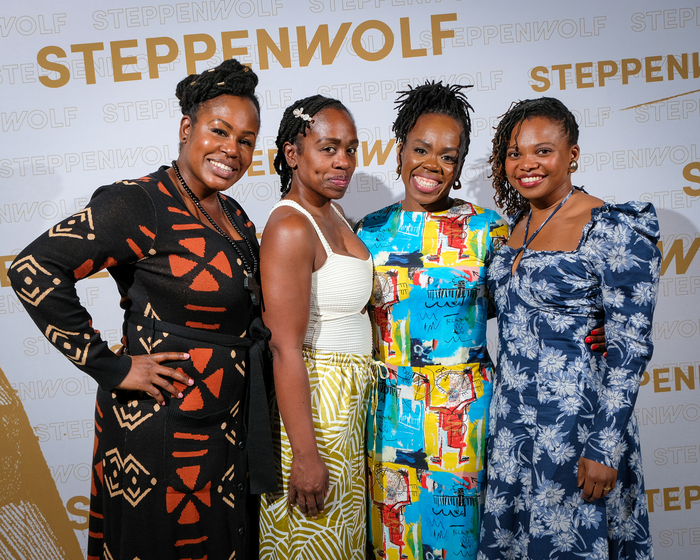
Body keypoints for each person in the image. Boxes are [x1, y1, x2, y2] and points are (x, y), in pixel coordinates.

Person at [8, 58, 276, 560]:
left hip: (225, 428)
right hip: (157, 433)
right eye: (219, 130)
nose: (232, 150)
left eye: (246, 140)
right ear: (186, 127)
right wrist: (112, 366)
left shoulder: (233, 212)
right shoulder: (140, 203)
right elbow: (33, 269)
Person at [479, 97, 657, 559]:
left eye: (543, 151)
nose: (526, 164)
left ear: (572, 155)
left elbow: (630, 348)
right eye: (515, 153)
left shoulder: (612, 229)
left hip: (577, 426)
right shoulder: (511, 230)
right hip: (512, 425)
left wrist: (604, 446)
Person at [354, 82, 508, 560]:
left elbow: (525, 310)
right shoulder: (368, 232)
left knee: (459, 545)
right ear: (400, 150)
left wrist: (591, 326)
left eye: (448, 156)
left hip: (464, 420)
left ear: (459, 166)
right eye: (421, 149)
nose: (432, 166)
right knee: (394, 547)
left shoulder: (488, 229)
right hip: (390, 418)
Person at [258, 96, 373, 560]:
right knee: (309, 542)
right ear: (292, 154)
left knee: (340, 542)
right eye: (328, 148)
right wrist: (305, 454)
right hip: (315, 407)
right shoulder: (290, 225)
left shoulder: (333, 211)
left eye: (350, 148)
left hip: (347, 404)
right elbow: (284, 347)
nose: (342, 161)